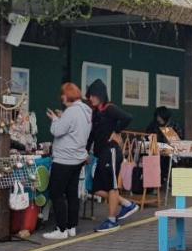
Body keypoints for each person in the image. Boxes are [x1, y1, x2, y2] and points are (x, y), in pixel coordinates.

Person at [86, 80, 137, 232]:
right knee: (95, 188)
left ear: (100, 96)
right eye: (90, 95)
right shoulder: (96, 112)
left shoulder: (110, 109)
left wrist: (116, 131)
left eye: (93, 95)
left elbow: (128, 118)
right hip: (101, 154)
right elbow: (92, 135)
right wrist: (85, 151)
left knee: (112, 186)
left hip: (112, 152)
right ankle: (128, 205)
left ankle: (112, 220)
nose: (90, 98)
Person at [43, 83, 92, 241]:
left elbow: (56, 131)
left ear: (68, 95)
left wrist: (55, 119)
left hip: (64, 159)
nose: (61, 97)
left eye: (63, 94)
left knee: (56, 193)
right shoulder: (86, 110)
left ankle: (61, 229)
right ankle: (71, 227)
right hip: (78, 159)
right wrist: (62, 118)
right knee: (72, 193)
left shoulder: (71, 112)